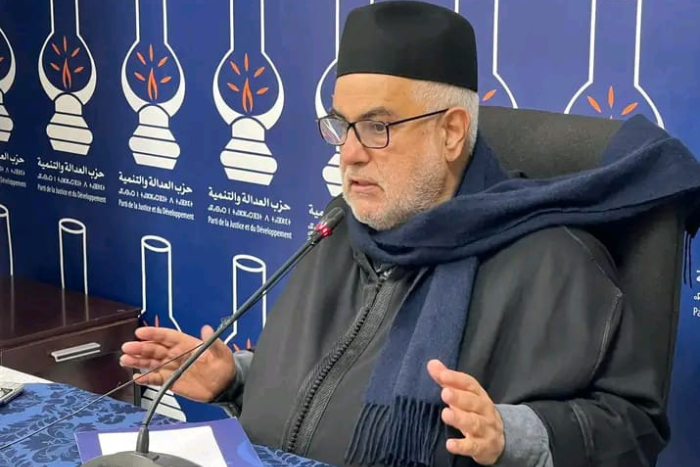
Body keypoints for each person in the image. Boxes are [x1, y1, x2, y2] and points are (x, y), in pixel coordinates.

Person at [120, 2, 700, 467]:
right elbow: (325, 391)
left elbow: (632, 430)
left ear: (451, 133)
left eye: (377, 126)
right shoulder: (339, 231)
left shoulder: (555, 262)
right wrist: (237, 376)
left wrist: (510, 435)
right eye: (342, 125)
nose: (349, 153)